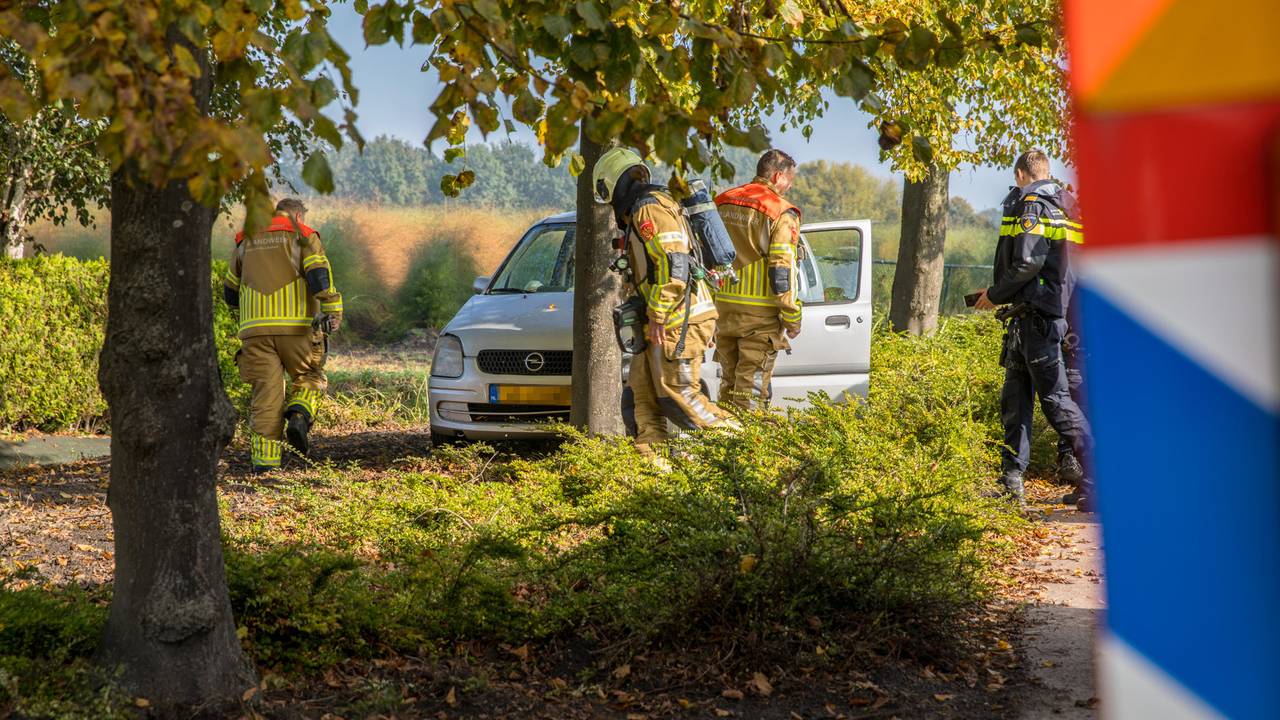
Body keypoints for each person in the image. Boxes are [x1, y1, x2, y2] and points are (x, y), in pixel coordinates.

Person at [593, 147, 733, 457]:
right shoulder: (649, 209)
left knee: (681, 397)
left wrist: (656, 315)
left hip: (676, 321)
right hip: (660, 322)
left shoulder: (649, 209)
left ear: (616, 183)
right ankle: (653, 480)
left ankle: (748, 449)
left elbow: (675, 265)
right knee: (640, 400)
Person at [973, 150, 1093, 508]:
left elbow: (1027, 261)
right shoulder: (1067, 205)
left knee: (1056, 402)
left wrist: (994, 295)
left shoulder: (1033, 205)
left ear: (1020, 174)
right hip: (1038, 316)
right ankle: (1012, 483)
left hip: (1036, 318)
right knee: (1015, 400)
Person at [222, 199, 343, 472]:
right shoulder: (303, 235)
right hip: (296, 328)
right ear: (298, 214)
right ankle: (299, 415)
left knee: (265, 397)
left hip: (255, 332)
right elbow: (319, 277)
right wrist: (334, 311)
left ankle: (264, 465)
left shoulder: (245, 239)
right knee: (310, 376)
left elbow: (230, 293)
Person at [711, 149, 804, 409]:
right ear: (777, 176)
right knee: (749, 395)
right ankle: (746, 448)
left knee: (728, 389)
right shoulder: (781, 212)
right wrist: (791, 317)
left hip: (723, 314)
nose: (790, 186)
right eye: (789, 179)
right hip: (759, 319)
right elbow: (781, 271)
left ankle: (721, 446)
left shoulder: (722, 201)